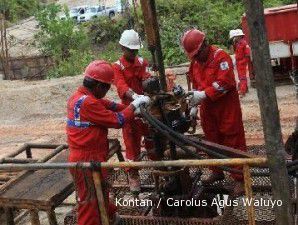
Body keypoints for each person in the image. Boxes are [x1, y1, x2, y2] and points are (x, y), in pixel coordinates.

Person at [66, 60, 150, 225]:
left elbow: (111, 106)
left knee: (102, 193)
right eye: (106, 88)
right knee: (89, 207)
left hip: (91, 157)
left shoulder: (79, 97)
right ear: (98, 86)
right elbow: (118, 120)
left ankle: (110, 217)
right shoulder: (88, 103)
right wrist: (134, 106)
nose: (107, 91)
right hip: (86, 161)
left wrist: (133, 105)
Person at [181, 29, 247, 195]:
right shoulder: (195, 63)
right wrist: (194, 105)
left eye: (197, 54)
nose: (195, 58)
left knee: (232, 139)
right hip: (208, 109)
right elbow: (195, 85)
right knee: (211, 139)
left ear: (204, 45)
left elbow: (226, 82)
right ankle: (217, 171)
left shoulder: (220, 56)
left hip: (226, 107)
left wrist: (202, 95)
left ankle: (240, 178)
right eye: (193, 56)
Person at [112, 29, 156, 194]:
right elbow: (121, 86)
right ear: (122, 48)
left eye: (135, 50)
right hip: (130, 111)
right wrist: (135, 97)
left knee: (152, 138)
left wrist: (149, 82)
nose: (134, 53)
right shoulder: (117, 67)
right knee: (131, 145)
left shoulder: (142, 62)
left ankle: (156, 169)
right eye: (131, 50)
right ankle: (134, 176)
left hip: (146, 108)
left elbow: (146, 77)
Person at [229, 29, 251, 97]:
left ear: (239, 36)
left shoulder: (244, 43)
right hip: (239, 62)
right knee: (241, 76)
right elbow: (236, 53)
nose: (234, 38)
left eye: (235, 37)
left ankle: (242, 91)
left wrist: (242, 62)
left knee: (242, 77)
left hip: (241, 62)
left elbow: (247, 54)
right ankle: (245, 89)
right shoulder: (238, 43)